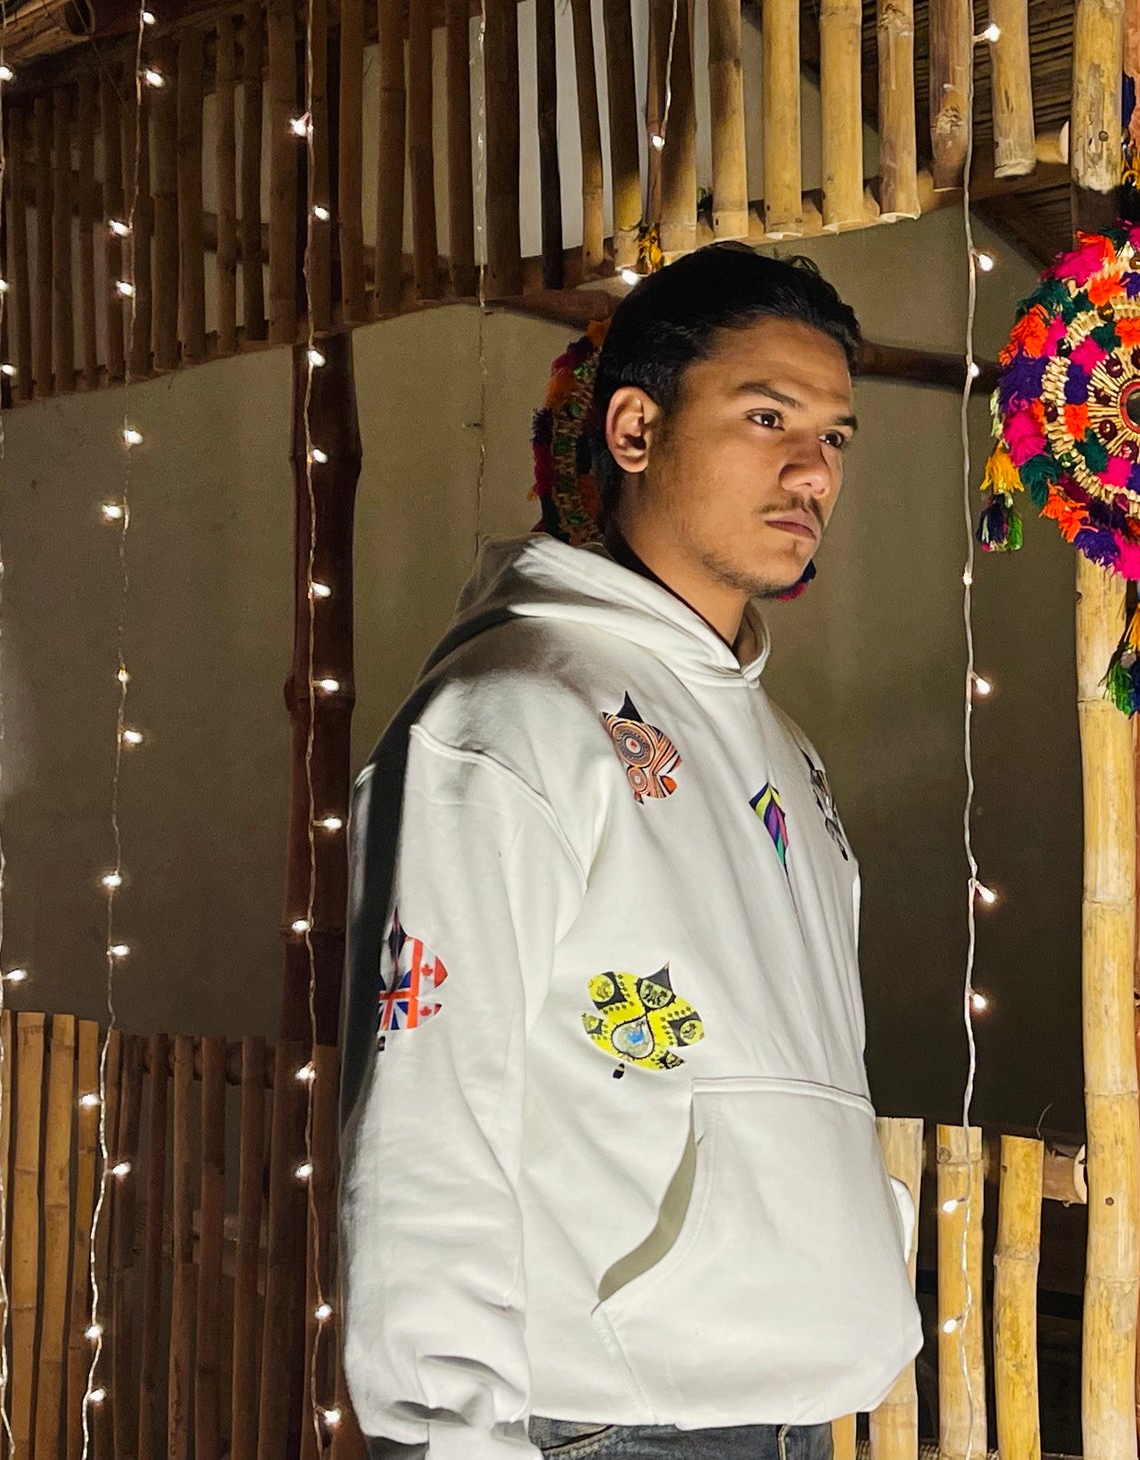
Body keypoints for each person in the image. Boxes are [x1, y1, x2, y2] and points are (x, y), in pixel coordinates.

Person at [339, 244, 919, 1460]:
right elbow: (429, 1114)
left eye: (834, 435)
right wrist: (447, 1436)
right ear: (636, 428)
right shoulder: (508, 716)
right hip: (612, 1421)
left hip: (793, 1411)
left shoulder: (784, 747)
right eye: (766, 416)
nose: (812, 468)